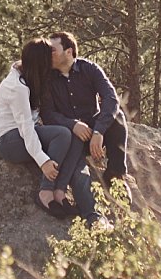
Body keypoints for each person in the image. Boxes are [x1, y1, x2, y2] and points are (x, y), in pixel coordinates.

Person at [0, 38, 94, 220]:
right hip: (9, 140)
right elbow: (26, 128)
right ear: (41, 64)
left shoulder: (33, 78)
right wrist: (43, 161)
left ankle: (60, 192)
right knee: (62, 134)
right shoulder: (17, 87)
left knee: (75, 135)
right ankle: (46, 192)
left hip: (28, 134)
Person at [41, 30, 128, 186]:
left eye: (53, 50)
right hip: (68, 136)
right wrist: (72, 124)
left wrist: (99, 130)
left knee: (119, 118)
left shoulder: (89, 69)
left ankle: (116, 176)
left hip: (93, 132)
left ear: (69, 52)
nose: (48, 55)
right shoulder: (47, 78)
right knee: (78, 174)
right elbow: (47, 113)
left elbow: (111, 98)